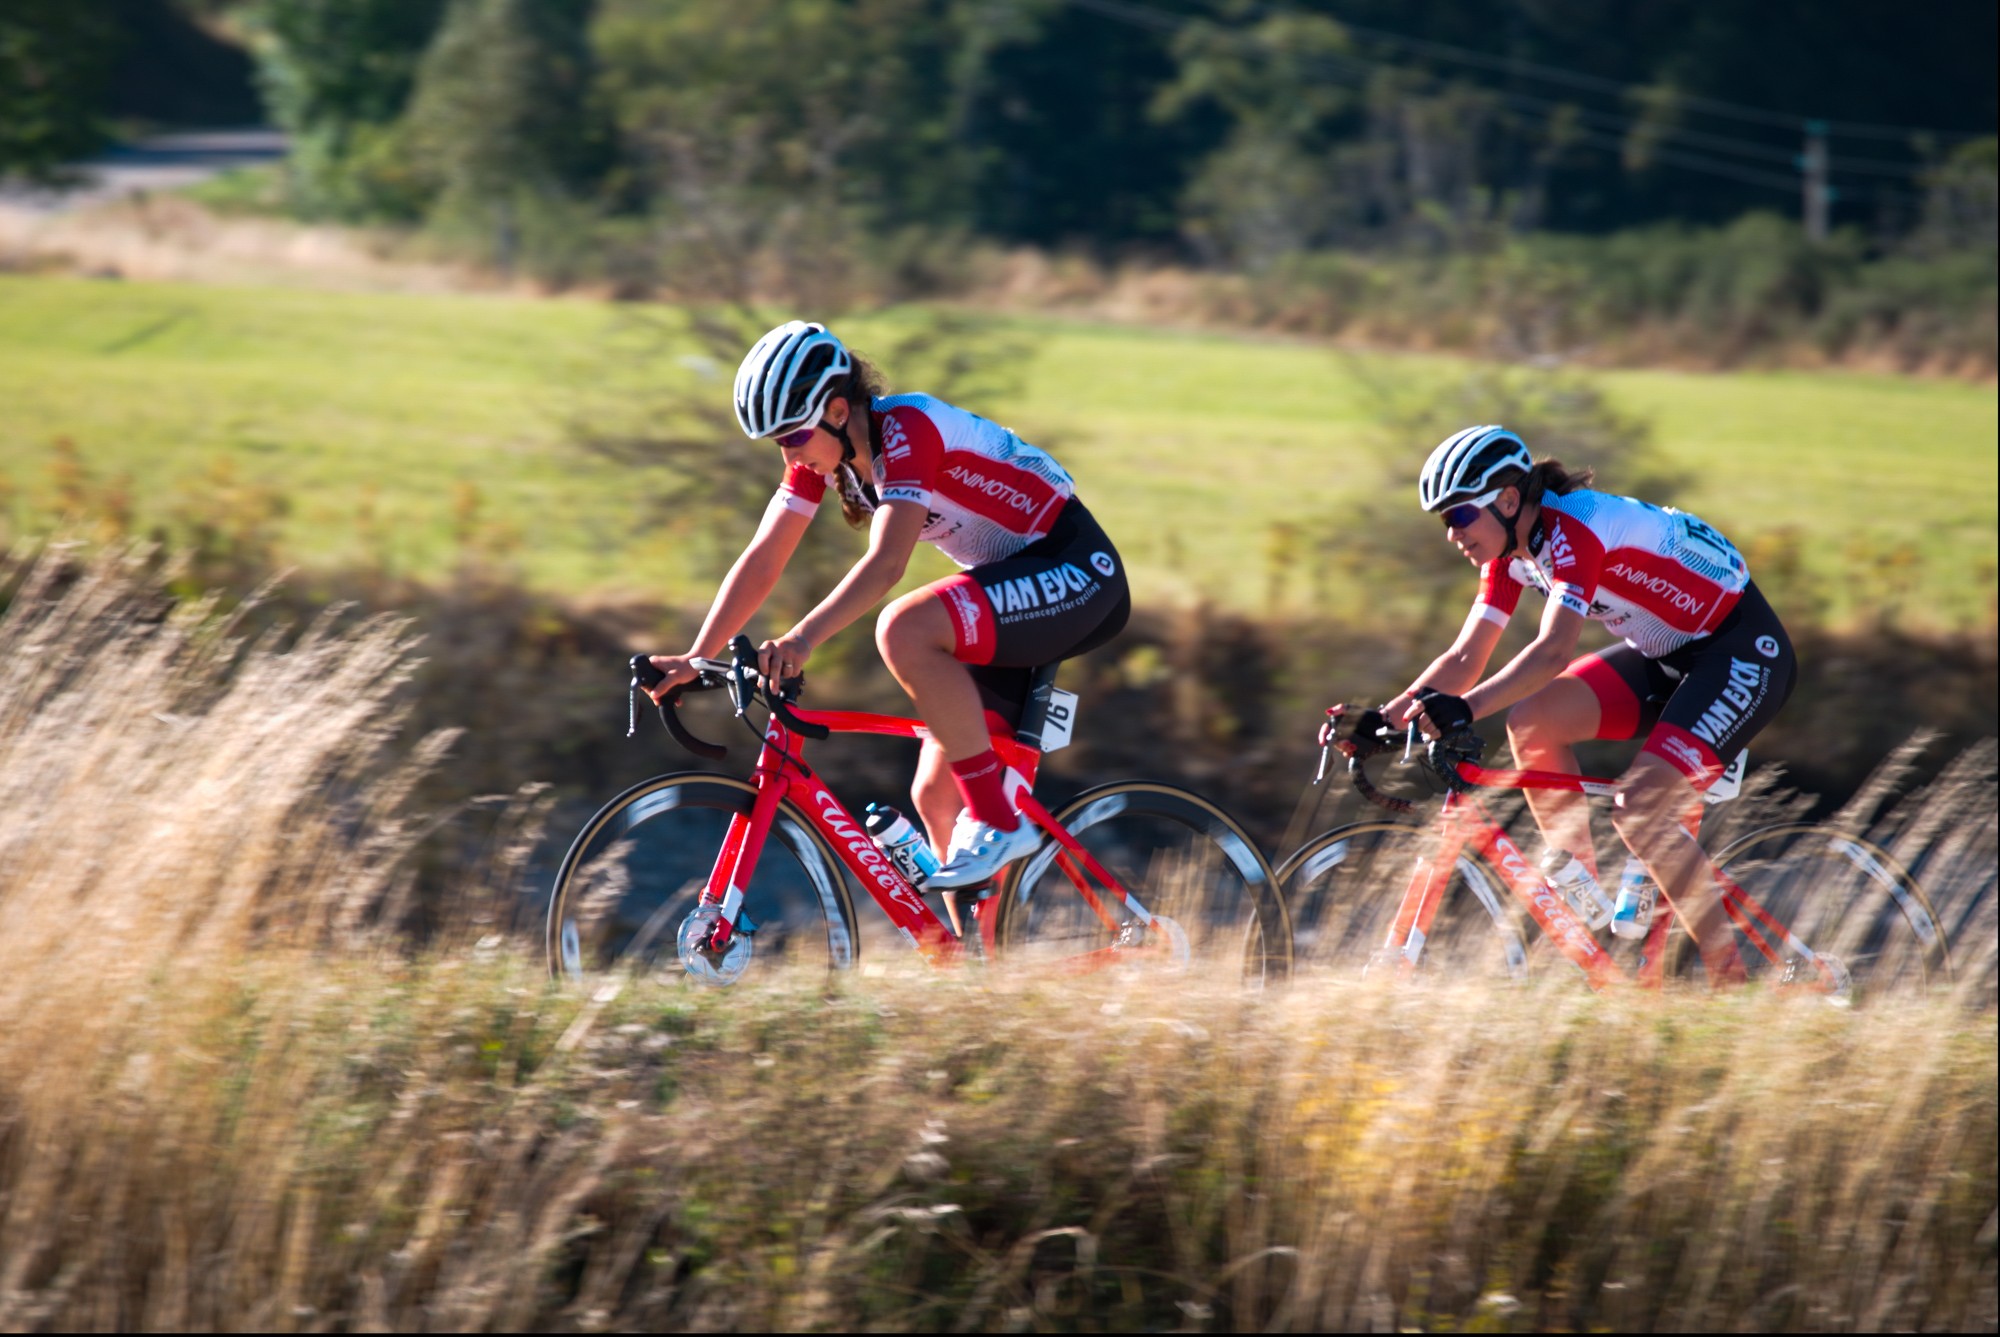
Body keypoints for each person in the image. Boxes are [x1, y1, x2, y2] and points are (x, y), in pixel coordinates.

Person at [646, 321, 1129, 922]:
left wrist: (802, 639)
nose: (791, 454)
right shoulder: (826, 458)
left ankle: (1002, 821)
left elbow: (887, 564)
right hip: (1011, 591)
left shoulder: (908, 431)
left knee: (905, 629)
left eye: (794, 435)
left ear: (839, 410)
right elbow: (764, 558)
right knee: (935, 796)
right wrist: (696, 656)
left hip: (1077, 570)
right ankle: (983, 977)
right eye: (777, 443)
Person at [1348, 424, 1797, 983]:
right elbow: (1466, 657)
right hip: (1665, 654)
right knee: (1532, 720)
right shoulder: (1511, 555)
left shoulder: (1573, 528)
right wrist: (1383, 721)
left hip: (1740, 654)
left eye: (1461, 515)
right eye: (1445, 521)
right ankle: (1580, 885)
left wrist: (1464, 710)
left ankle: (1733, 984)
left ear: (1509, 500)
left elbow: (1553, 651)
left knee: (1639, 810)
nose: (1451, 533)